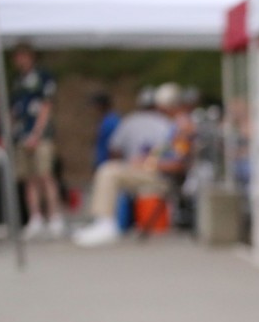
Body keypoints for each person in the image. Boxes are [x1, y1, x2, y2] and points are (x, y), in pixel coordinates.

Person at [74, 83, 189, 247]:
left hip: (163, 177)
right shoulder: (169, 126)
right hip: (153, 172)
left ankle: (106, 222)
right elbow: (161, 154)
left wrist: (146, 162)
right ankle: (102, 221)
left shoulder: (178, 127)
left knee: (109, 171)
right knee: (110, 170)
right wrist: (146, 161)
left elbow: (178, 164)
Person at [11, 42, 63, 239]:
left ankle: (54, 216)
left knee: (45, 176)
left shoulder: (43, 77)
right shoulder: (18, 80)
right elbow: (14, 109)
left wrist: (36, 134)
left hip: (40, 136)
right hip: (21, 134)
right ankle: (36, 217)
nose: (19, 60)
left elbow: (46, 107)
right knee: (28, 178)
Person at [91, 93, 121, 171]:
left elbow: (114, 147)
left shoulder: (111, 121)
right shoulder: (107, 120)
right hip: (103, 163)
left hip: (107, 164)